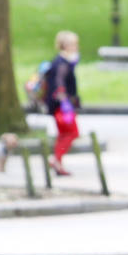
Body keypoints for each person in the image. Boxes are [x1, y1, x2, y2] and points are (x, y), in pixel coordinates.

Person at [40, 31, 81, 177]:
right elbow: (59, 82)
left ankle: (57, 160)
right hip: (62, 106)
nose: (76, 47)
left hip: (60, 104)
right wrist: (65, 102)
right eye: (73, 44)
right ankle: (56, 160)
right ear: (65, 45)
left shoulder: (64, 61)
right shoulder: (61, 63)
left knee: (64, 134)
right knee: (71, 132)